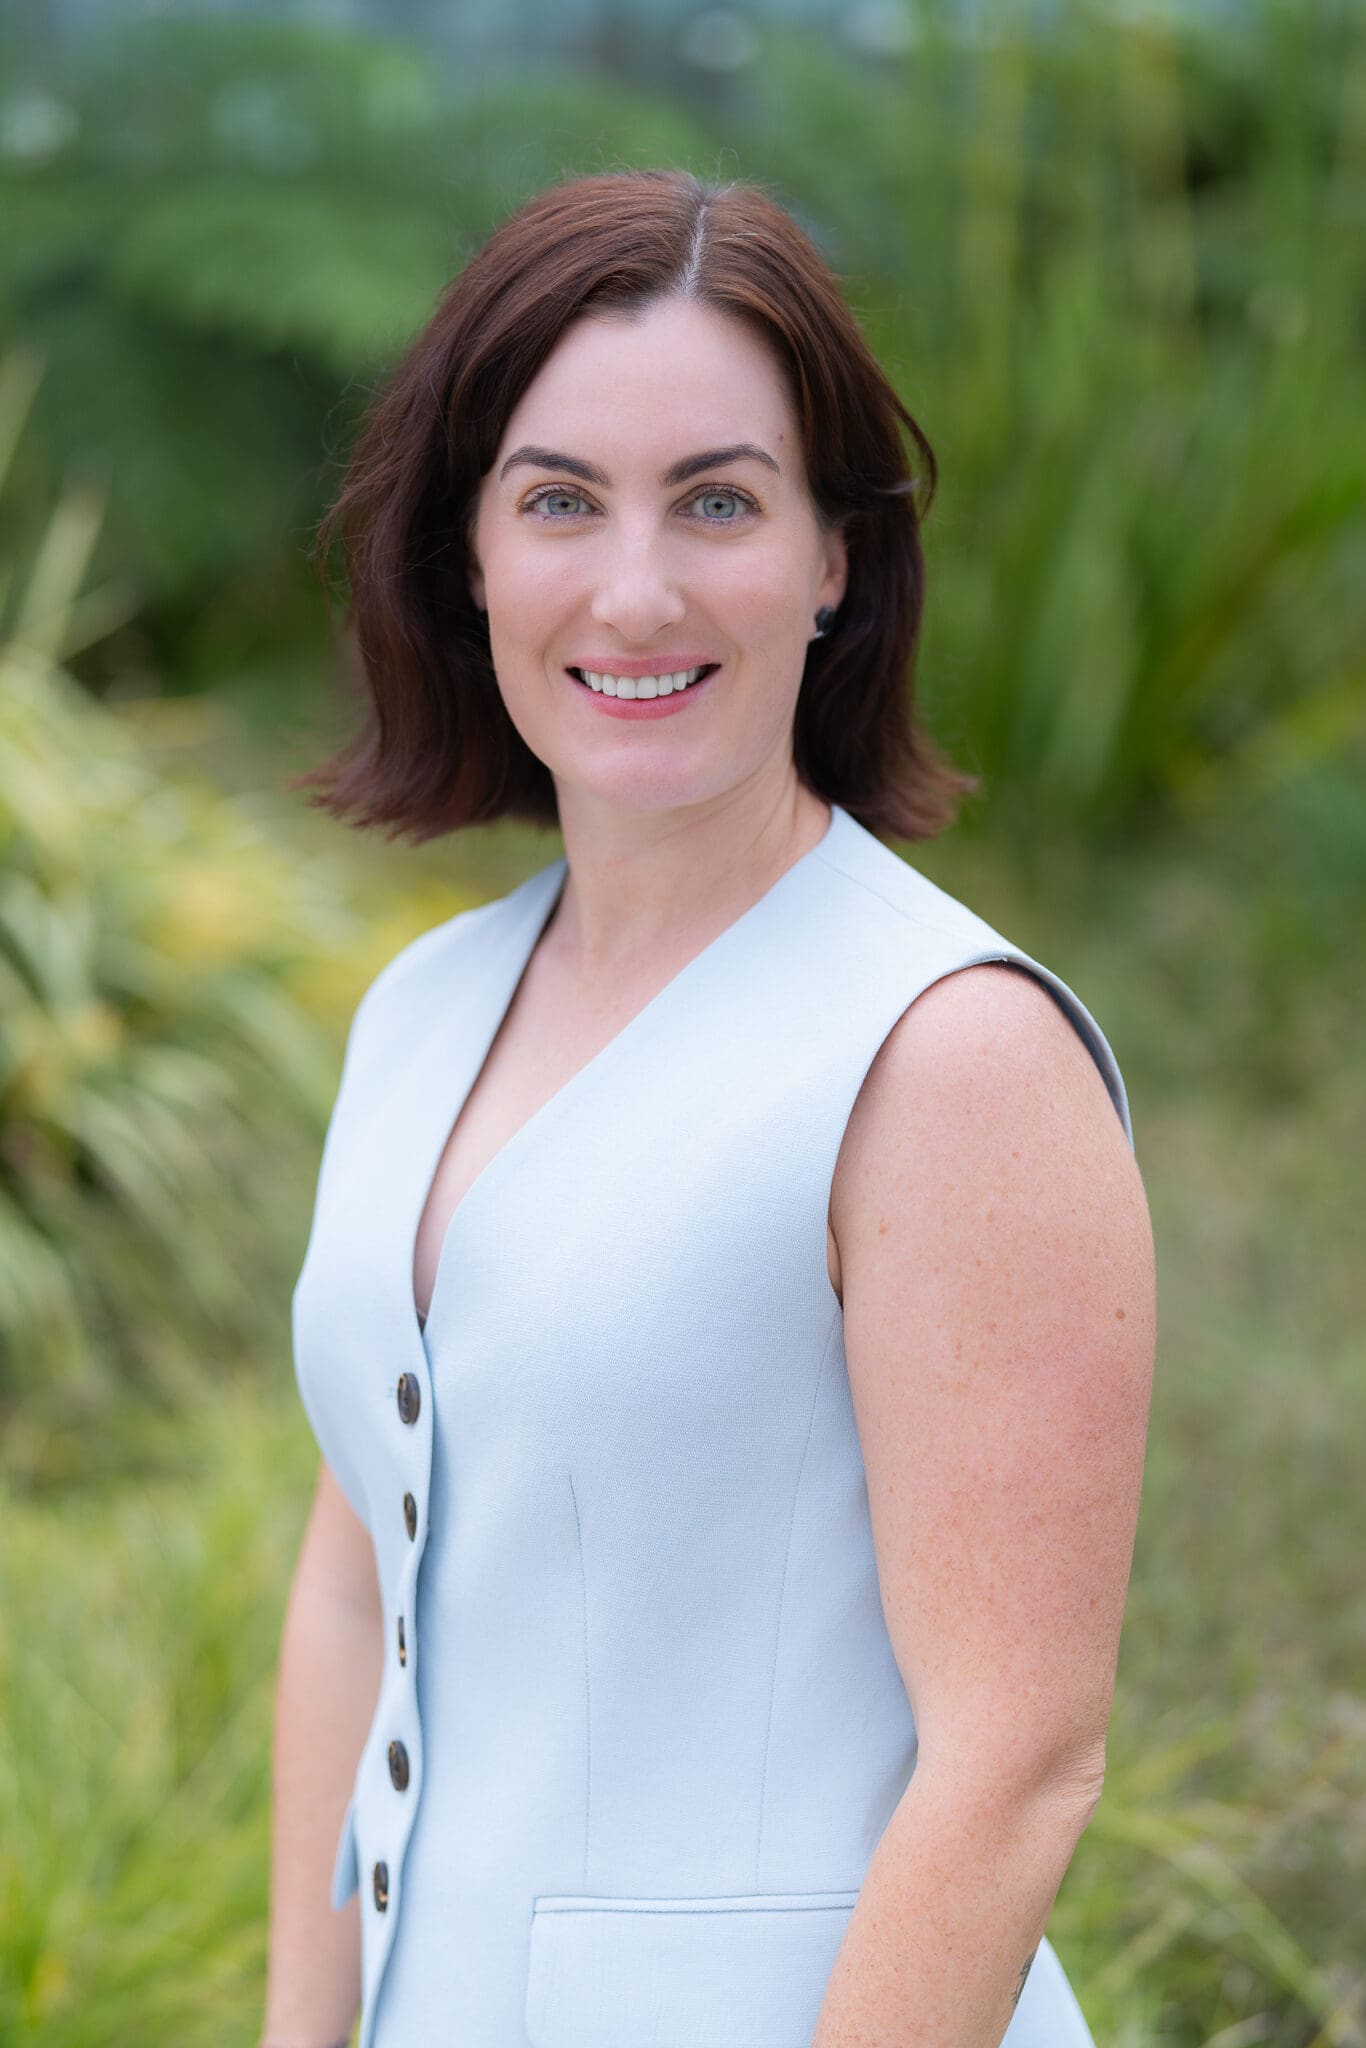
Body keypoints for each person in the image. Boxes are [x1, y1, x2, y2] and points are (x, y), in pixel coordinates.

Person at [262, 168, 1155, 2048]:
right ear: (470, 553)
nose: (635, 587)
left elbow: (1018, 1764)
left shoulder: (947, 1054)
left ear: (834, 555)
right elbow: (358, 1577)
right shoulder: (420, 1012)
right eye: (559, 500)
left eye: (721, 501)